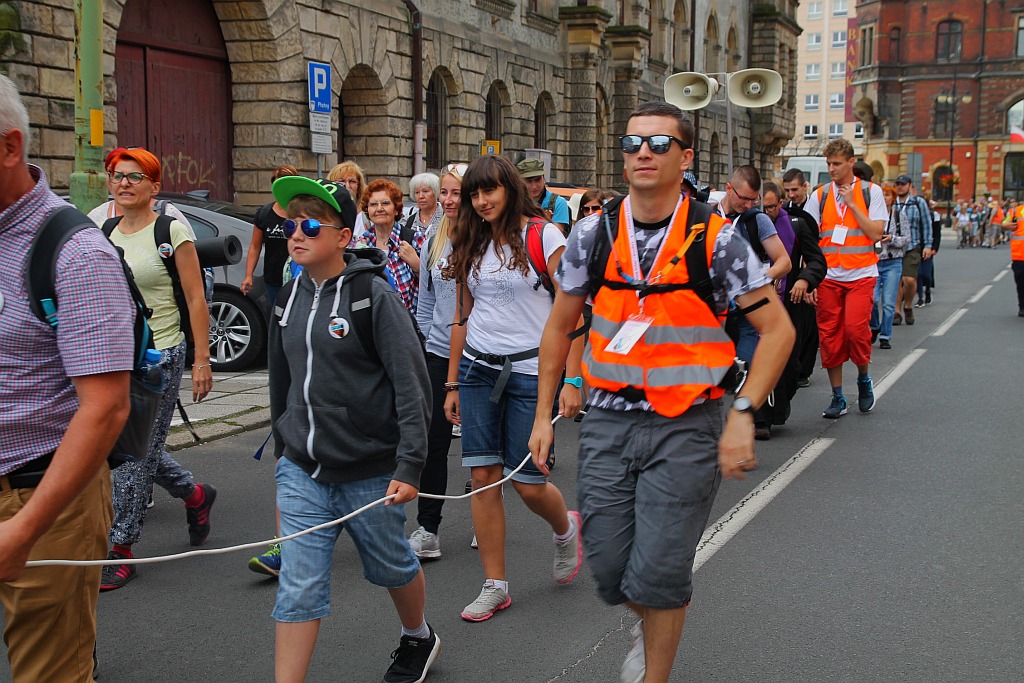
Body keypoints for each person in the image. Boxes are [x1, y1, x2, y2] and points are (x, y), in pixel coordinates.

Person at [528, 101, 793, 683]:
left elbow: (778, 330)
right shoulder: (593, 234)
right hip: (607, 421)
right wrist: (545, 412)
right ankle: (646, 622)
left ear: (686, 157)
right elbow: (558, 326)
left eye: (658, 144)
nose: (642, 152)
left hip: (688, 424)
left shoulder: (718, 241)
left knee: (661, 572)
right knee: (608, 567)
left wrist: (744, 413)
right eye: (631, 144)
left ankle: (654, 670)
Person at [268, 176, 439, 683]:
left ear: (343, 237)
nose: (298, 233)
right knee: (298, 587)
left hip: (370, 472)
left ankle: (418, 636)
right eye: (291, 224)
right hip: (302, 470)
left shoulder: (372, 296)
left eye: (311, 224)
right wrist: (284, 447)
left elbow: (411, 387)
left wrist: (410, 465)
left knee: (392, 567)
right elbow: (283, 380)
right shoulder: (286, 297)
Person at [0, 74, 133, 682]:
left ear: (9, 147)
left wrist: (25, 528)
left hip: (41, 495)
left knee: (47, 673)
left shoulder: (77, 254)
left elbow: (104, 408)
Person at [444, 155, 584, 623]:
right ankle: (495, 585)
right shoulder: (470, 239)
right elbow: (461, 317)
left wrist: (574, 379)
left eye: (490, 191)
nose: (482, 201)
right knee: (482, 476)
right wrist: (452, 382)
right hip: (478, 369)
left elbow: (575, 315)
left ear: (510, 189)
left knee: (527, 484)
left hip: (531, 374)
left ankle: (565, 529)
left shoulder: (545, 236)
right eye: (475, 195)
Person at [99, 147, 216, 591]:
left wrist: (201, 361)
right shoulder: (105, 229)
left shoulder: (172, 230)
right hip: (116, 356)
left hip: (162, 354)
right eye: (116, 175)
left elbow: (195, 299)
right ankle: (195, 494)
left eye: (133, 176)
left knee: (136, 453)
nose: (123, 182)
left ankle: (121, 548)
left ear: (154, 185)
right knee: (127, 443)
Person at [803, 138, 887, 419]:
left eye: (837, 163)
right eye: (829, 164)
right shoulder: (820, 195)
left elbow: (875, 233)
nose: (832, 168)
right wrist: (809, 278)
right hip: (829, 276)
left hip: (861, 273)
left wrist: (852, 204)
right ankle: (838, 396)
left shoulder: (871, 192)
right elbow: (808, 239)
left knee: (855, 330)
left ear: (852, 162)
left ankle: (863, 378)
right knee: (829, 336)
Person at [409, 162, 466, 559]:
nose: (447, 200)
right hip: (438, 352)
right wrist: (426, 340)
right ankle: (428, 528)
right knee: (433, 442)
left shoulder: (489, 240)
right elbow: (425, 299)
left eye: (455, 193)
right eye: (443, 192)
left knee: (484, 444)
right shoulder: (434, 238)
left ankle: (487, 516)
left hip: (481, 356)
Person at [716, 165, 792, 415]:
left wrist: (759, 279)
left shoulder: (757, 220)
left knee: (744, 367)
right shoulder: (706, 216)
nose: (749, 205)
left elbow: (783, 261)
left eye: (753, 199)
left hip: (746, 309)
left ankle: (743, 417)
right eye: (743, 198)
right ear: (729, 189)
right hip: (712, 310)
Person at [760, 181, 825, 437]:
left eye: (772, 207)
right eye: (762, 208)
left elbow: (818, 260)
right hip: (758, 305)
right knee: (759, 359)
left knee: (788, 365)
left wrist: (804, 279)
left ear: (780, 203)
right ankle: (760, 418)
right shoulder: (748, 224)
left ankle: (777, 405)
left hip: (789, 302)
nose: (767, 213)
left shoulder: (797, 224)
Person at [356, 179, 427, 314]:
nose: (379, 208)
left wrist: (417, 266)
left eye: (385, 203)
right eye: (373, 204)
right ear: (368, 211)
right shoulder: (361, 246)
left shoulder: (416, 239)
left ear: (396, 209)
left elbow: (435, 287)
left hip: (409, 325)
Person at [783, 168, 821, 387]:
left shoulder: (812, 209)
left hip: (812, 270)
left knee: (809, 324)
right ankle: (794, 366)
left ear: (804, 187)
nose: (791, 195)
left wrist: (810, 278)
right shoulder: (785, 210)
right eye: (787, 190)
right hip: (793, 272)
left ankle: (804, 368)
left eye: (794, 190)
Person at [242, 165, 299, 311]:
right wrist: (248, 275)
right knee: (279, 315)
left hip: (298, 276)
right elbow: (255, 246)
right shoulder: (265, 213)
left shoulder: (302, 213)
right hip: (273, 278)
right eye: (278, 184)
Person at [869, 185, 911, 351]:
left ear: (892, 198)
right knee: (872, 300)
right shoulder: (871, 216)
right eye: (883, 195)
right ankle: (874, 326)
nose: (885, 198)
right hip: (874, 261)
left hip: (893, 262)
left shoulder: (899, 216)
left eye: (887, 195)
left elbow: (907, 239)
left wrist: (891, 238)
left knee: (888, 302)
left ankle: (885, 336)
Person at [890, 174, 933, 326]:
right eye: (898, 184)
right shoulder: (892, 202)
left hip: (912, 246)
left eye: (903, 184)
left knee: (909, 280)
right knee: (896, 280)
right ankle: (897, 311)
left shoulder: (918, 202)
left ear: (909, 186)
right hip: (894, 247)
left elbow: (927, 224)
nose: (900, 186)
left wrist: (928, 245)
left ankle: (908, 305)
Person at [516, 157, 570, 234]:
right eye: (528, 181)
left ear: (543, 178)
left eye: (537, 180)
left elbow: (556, 236)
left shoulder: (558, 203)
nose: (534, 186)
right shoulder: (514, 202)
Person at [327, 161, 369, 236]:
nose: (347, 186)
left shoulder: (367, 216)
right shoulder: (325, 213)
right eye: (341, 181)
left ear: (359, 186)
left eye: (352, 181)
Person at [406, 172, 444, 239]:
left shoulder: (446, 217)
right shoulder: (408, 219)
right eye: (417, 192)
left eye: (425, 191)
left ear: (436, 192)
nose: (420, 196)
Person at [1011, 201, 1024, 316]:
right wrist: (1005, 225)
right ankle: (1022, 306)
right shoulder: (1017, 210)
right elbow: (1006, 223)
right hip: (1020, 254)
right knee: (1021, 282)